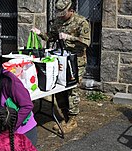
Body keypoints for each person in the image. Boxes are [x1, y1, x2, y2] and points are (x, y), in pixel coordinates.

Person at [32, 0, 91, 133]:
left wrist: (69, 37)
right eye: (59, 13)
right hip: (61, 60)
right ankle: (65, 116)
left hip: (76, 61)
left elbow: (86, 42)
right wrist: (40, 33)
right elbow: (50, 37)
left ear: (71, 11)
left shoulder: (82, 22)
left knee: (72, 89)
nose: (61, 16)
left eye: (64, 13)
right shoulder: (58, 21)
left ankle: (73, 120)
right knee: (60, 88)